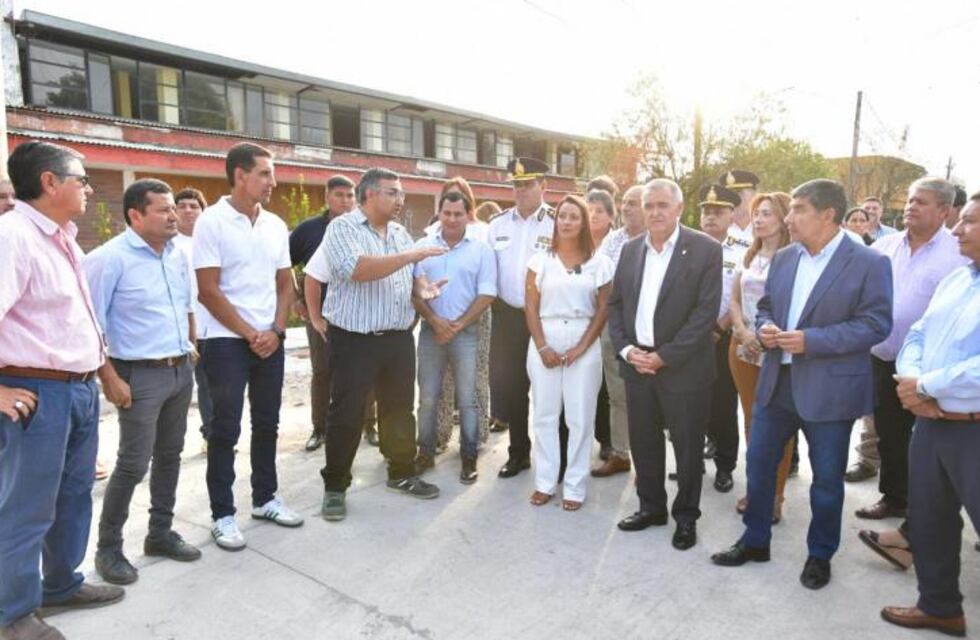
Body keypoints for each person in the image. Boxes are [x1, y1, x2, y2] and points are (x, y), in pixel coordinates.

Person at [711, 179, 893, 590]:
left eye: (798, 209)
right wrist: (767, 326)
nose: (789, 217)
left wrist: (812, 341)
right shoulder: (785, 257)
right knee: (759, 465)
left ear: (827, 214)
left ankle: (820, 554)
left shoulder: (869, 262)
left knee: (826, 481)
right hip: (777, 381)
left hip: (831, 390)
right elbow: (768, 307)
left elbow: (875, 324)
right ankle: (755, 540)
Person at [0, 141, 123, 640]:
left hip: (77, 389)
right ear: (50, 183)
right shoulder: (13, 237)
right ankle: (12, 614)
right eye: (81, 179)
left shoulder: (63, 239)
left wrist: (102, 375)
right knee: (28, 506)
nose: (88, 189)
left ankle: (61, 583)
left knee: (73, 495)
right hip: (36, 392)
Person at [309, 168, 445, 522]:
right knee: (347, 413)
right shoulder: (342, 228)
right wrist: (411, 257)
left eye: (401, 193)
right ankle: (335, 487)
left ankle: (401, 473)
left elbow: (409, 278)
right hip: (354, 339)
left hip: (397, 338)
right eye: (393, 192)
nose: (400, 200)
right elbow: (357, 269)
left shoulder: (399, 233)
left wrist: (424, 289)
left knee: (399, 410)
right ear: (369, 194)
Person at [84, 179, 201, 585]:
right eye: (163, 210)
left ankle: (160, 534)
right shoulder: (108, 259)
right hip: (137, 375)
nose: (174, 216)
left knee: (170, 455)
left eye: (174, 208)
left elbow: (183, 304)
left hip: (178, 370)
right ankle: (109, 548)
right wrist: (109, 377)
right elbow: (90, 325)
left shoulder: (177, 254)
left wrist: (190, 345)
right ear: (135, 215)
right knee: (133, 463)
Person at [193, 143, 303, 551]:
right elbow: (208, 290)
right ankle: (222, 515)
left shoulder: (275, 224)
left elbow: (285, 284)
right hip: (225, 340)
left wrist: (276, 329)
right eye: (265, 174)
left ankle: (265, 498)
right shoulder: (211, 222)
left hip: (269, 338)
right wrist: (249, 333)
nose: (273, 181)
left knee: (268, 422)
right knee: (225, 428)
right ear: (240, 175)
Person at [880, 192, 980, 638]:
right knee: (930, 521)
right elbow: (918, 333)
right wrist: (913, 380)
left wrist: (925, 385)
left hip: (973, 430)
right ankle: (939, 607)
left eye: (969, 222)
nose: (957, 229)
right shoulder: (958, 278)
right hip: (931, 423)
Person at [607, 178, 721, 551]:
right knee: (644, 442)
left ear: (678, 209)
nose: (655, 212)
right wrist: (627, 351)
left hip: (683, 368)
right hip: (637, 364)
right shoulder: (630, 250)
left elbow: (704, 315)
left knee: (687, 448)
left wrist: (664, 356)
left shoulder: (705, 250)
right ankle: (651, 507)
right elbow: (616, 306)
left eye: (662, 205)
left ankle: (686, 517)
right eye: (649, 205)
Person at [855, 178, 967, 524]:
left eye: (921, 202)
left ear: (944, 211)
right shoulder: (884, 246)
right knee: (890, 435)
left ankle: (938, 513)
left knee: (938, 445)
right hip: (883, 358)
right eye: (910, 201)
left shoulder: (959, 254)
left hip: (934, 368)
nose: (910, 207)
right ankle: (895, 498)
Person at [525, 194, 613, 510]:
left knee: (580, 417)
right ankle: (545, 482)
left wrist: (581, 347)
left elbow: (603, 309)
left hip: (583, 335)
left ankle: (574, 486)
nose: (566, 222)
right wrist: (542, 346)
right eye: (562, 215)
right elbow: (530, 306)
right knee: (545, 415)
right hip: (545, 334)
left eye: (574, 217)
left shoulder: (600, 262)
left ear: (583, 222)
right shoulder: (540, 260)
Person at [412, 190, 496, 482]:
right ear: (439, 212)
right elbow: (414, 291)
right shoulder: (422, 247)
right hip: (430, 332)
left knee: (468, 399)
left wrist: (458, 325)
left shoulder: (481, 250)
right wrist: (435, 320)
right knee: (427, 397)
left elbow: (487, 293)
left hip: (466, 332)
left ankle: (468, 457)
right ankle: (424, 453)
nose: (451, 219)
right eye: (446, 213)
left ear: (468, 215)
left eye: (458, 214)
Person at [487, 157, 555, 477]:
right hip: (508, 316)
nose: (520, 190)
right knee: (513, 388)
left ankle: (553, 455)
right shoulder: (497, 225)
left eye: (527, 184)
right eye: (516, 185)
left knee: (549, 388)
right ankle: (518, 454)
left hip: (545, 316)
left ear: (544, 186)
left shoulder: (557, 223)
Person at [728, 192, 794, 522]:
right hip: (742, 347)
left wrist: (764, 338)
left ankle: (775, 495)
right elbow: (734, 299)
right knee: (751, 422)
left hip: (776, 350)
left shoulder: (794, 258)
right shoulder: (749, 255)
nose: (758, 219)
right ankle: (756, 488)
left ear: (783, 219)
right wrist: (741, 331)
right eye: (756, 213)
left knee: (778, 425)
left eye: (766, 213)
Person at [288, 175, 357, 452]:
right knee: (323, 371)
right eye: (339, 195)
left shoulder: (363, 227)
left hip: (359, 313)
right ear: (327, 197)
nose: (346, 201)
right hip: (321, 315)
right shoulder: (309, 230)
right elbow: (283, 265)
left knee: (363, 369)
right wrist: (296, 299)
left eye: (350, 195)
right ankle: (320, 428)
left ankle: (369, 425)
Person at [427, 177, 491, 454]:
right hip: (437, 315)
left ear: (469, 202)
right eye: (448, 198)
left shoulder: (484, 232)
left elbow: (488, 280)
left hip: (476, 314)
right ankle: (438, 436)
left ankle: (475, 436)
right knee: (440, 378)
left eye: (460, 197)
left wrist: (465, 319)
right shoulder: (431, 232)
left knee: (475, 376)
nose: (452, 215)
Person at [591, 184, 645, 477]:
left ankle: (649, 460)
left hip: (650, 328)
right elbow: (602, 278)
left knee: (652, 396)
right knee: (617, 393)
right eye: (624, 202)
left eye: (633, 203)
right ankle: (621, 453)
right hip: (615, 324)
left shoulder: (660, 238)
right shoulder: (613, 240)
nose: (626, 207)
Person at [697, 184, 743, 494]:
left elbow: (739, 298)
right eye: (706, 211)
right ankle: (692, 461)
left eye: (718, 212)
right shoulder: (688, 246)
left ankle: (725, 466)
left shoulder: (742, 249)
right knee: (691, 402)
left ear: (731, 215)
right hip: (690, 336)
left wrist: (719, 327)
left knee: (724, 404)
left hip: (724, 335)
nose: (711, 217)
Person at [171, 187, 212, 453]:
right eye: (182, 205)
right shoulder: (168, 244)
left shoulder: (210, 242)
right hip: (178, 328)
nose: (188, 210)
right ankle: (168, 444)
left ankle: (212, 435)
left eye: (194, 206)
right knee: (178, 388)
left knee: (210, 385)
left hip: (211, 324)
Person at [584, 188, 616, 460]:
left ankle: (607, 439)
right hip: (580, 320)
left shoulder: (616, 244)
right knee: (584, 381)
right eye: (589, 210)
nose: (593, 215)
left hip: (608, 320)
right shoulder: (575, 243)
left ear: (610, 216)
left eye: (599, 211)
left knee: (606, 383)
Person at [720, 169, 760, 254]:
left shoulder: (768, 227)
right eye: (728, 195)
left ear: (755, 195)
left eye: (739, 193)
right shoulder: (717, 230)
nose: (734, 199)